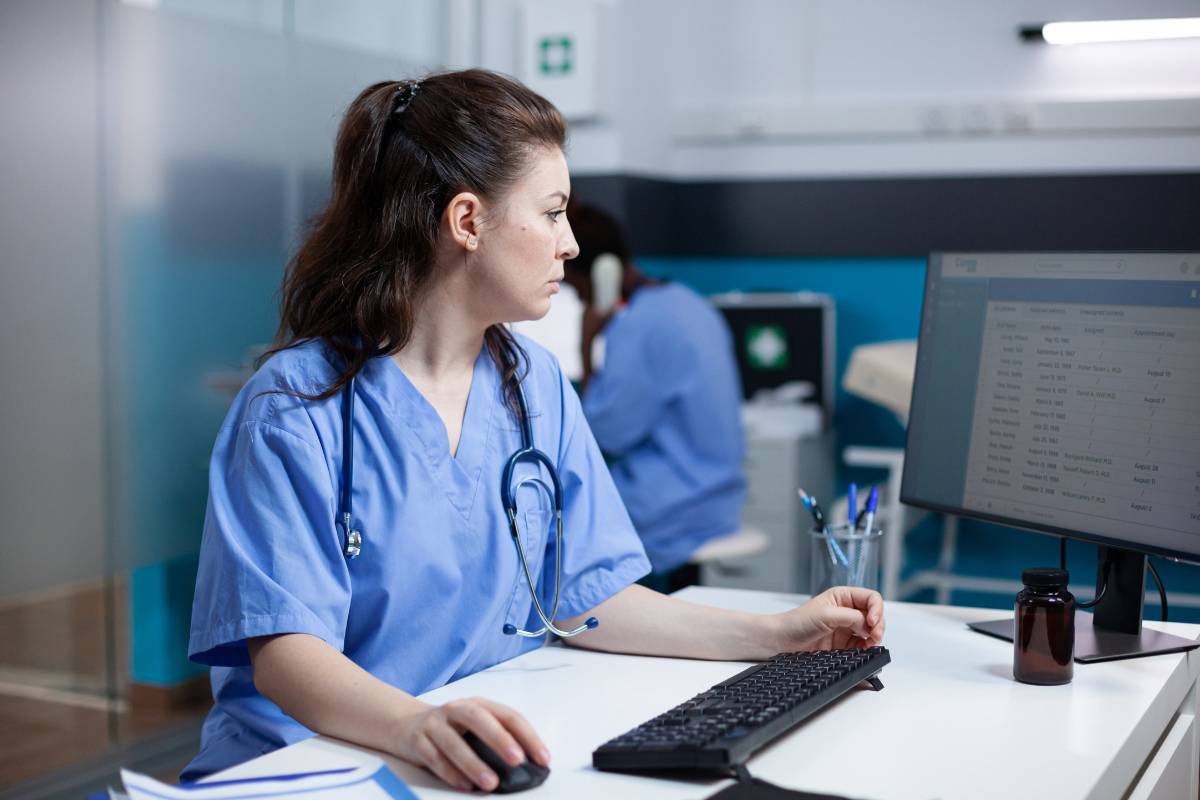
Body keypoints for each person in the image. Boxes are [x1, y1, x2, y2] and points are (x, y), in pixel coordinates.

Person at [183, 69, 885, 793]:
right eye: (552, 213)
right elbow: (286, 653)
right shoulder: (296, 405)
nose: (572, 244)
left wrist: (773, 638)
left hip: (464, 753)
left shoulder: (532, 385)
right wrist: (418, 727)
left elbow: (588, 595)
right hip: (311, 766)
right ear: (466, 221)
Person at [563, 201, 746, 591]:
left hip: (672, 512)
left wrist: (586, 345)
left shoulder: (640, 327)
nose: (578, 300)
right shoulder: (689, 303)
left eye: (575, 287)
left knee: (558, 526)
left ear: (600, 274)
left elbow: (606, 433)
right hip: (717, 499)